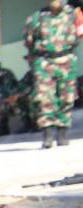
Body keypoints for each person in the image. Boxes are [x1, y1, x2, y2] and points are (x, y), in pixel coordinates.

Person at [25, 0, 79, 149]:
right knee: (45, 98)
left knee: (67, 97)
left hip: (67, 60)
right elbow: (29, 42)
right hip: (44, 62)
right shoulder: (36, 18)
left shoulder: (73, 15)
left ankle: (62, 133)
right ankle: (47, 135)